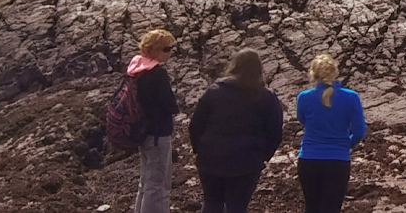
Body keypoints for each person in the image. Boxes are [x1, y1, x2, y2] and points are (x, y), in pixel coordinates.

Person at [188, 49, 283, 213]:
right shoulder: (266, 96)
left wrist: (199, 150)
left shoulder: (214, 91)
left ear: (234, 66)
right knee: (237, 207)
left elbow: (196, 125)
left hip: (211, 158)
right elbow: (275, 132)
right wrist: (263, 156)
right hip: (247, 161)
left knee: (211, 203)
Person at [295, 54, 367, 213]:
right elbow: (360, 131)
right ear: (335, 73)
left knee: (312, 207)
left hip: (308, 158)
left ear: (313, 74)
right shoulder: (351, 97)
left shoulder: (304, 98)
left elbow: (302, 120)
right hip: (338, 160)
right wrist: (347, 145)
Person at [129, 28, 179, 213]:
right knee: (159, 185)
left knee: (145, 182)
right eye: (167, 49)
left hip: (143, 133)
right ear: (156, 50)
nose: (170, 52)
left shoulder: (136, 69)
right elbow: (170, 105)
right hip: (159, 134)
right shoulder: (157, 74)